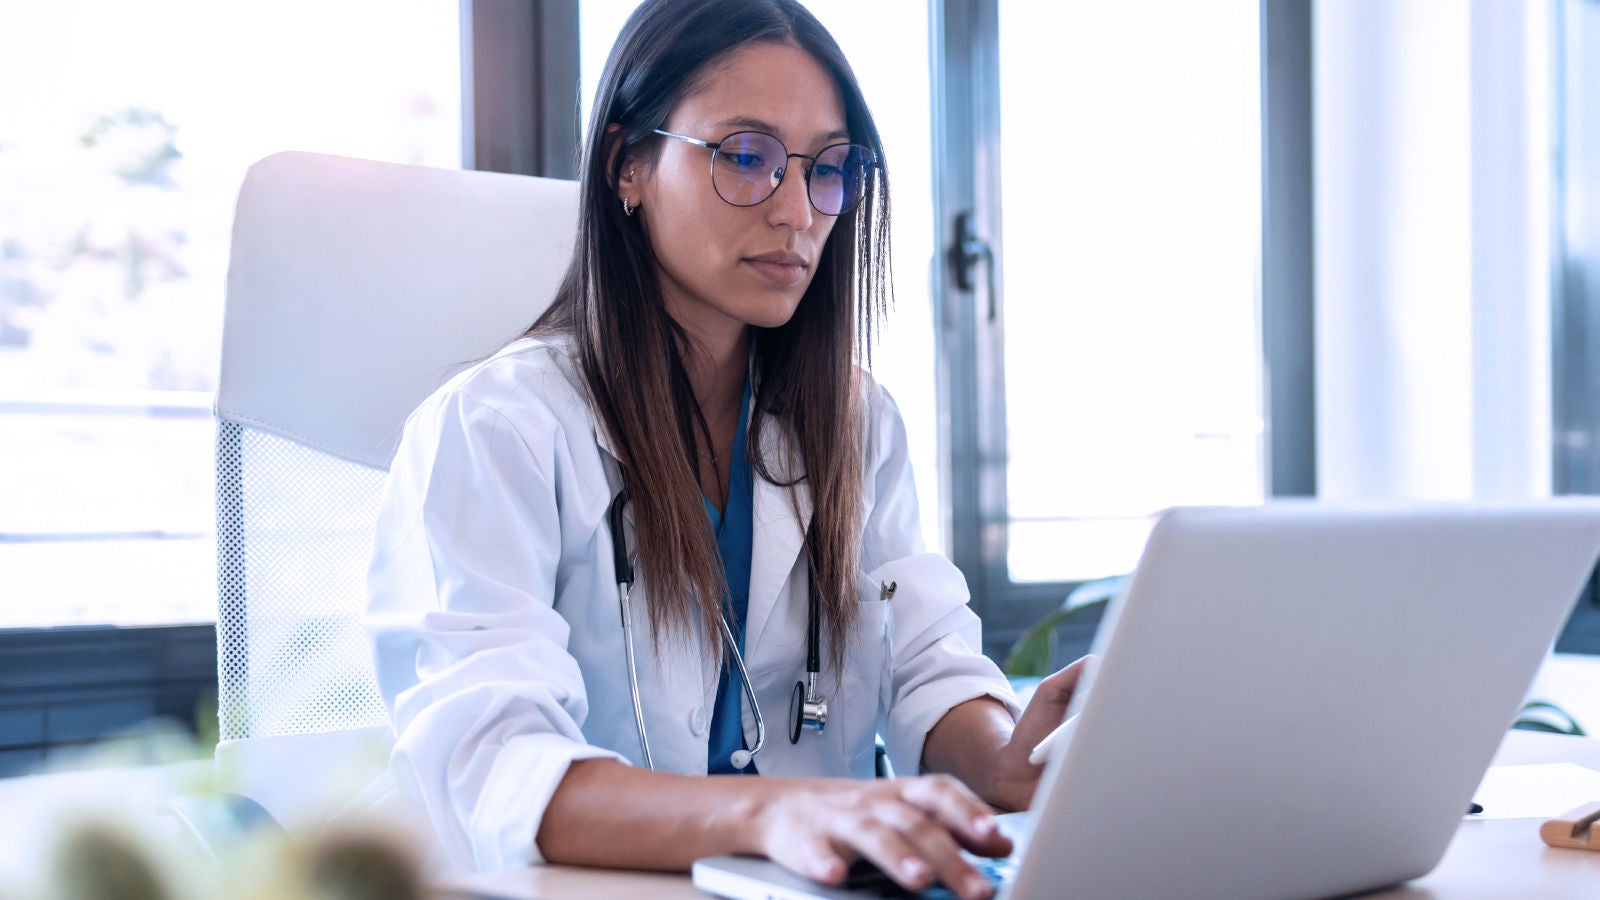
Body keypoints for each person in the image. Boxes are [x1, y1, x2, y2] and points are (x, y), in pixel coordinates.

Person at [365, 1, 1085, 898]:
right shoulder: (495, 430)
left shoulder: (855, 421)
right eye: (745, 157)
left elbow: (924, 666)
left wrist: (1010, 761)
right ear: (628, 165)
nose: (796, 212)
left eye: (827, 169)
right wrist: (773, 811)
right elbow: (496, 768)